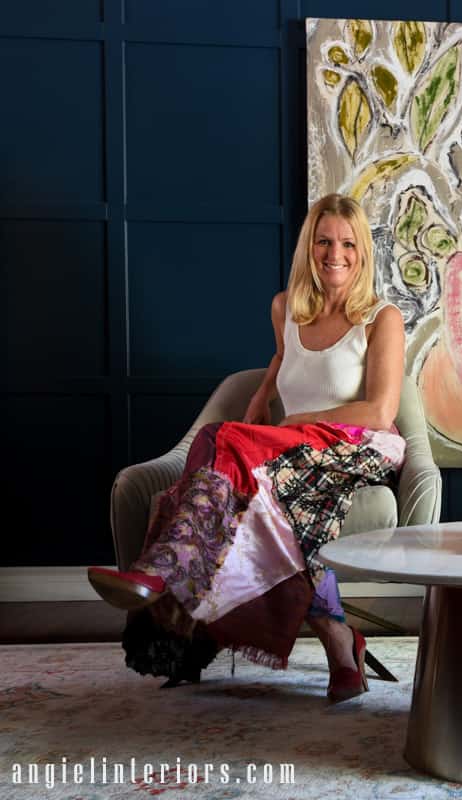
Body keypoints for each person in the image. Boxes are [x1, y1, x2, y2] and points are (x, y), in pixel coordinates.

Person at [88, 194, 407, 702]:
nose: (335, 253)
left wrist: (303, 418)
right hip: (294, 451)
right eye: (324, 241)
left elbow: (380, 410)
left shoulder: (380, 317)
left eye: (348, 244)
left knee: (225, 443)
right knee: (264, 497)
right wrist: (262, 393)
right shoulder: (286, 308)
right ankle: (340, 641)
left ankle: (165, 572)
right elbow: (285, 356)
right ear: (308, 247)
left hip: (361, 448)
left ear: (363, 253)